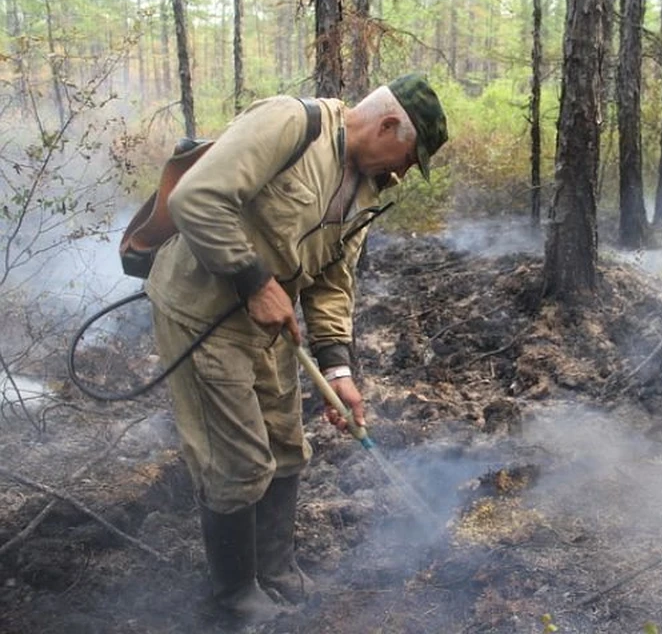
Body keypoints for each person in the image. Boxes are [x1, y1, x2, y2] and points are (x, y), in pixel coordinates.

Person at [145, 74, 447, 623]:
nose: (402, 173)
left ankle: (276, 570)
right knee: (237, 461)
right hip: (203, 315)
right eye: (407, 157)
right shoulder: (291, 123)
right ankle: (236, 598)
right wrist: (254, 281)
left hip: (270, 325)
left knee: (286, 447)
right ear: (386, 126)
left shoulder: (367, 190)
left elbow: (333, 284)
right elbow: (197, 198)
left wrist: (338, 372)